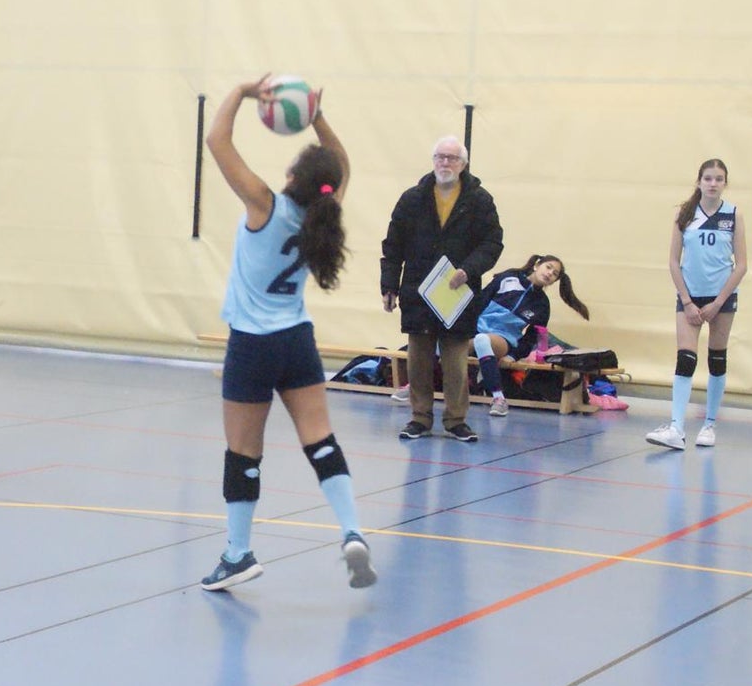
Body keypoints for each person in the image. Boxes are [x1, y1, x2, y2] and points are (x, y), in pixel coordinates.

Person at [200, 76, 376, 592]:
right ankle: (352, 529)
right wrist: (314, 113)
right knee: (320, 440)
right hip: (297, 340)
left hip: (252, 344)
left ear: (293, 175)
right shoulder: (324, 213)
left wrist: (241, 92)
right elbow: (341, 162)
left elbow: (217, 141)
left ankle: (238, 554)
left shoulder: (265, 205)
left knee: (243, 453)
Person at [380, 136, 504, 442]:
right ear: (433, 160)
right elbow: (393, 246)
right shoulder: (412, 198)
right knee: (419, 359)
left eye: (452, 158)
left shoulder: (480, 200)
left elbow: (492, 243)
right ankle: (419, 418)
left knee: (455, 361)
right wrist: (389, 285)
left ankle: (456, 420)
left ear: (463, 164)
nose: (445, 163)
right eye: (440, 157)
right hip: (418, 291)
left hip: (457, 293)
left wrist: (469, 269)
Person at [646, 158, 747, 450]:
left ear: (725, 183)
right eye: (708, 178)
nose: (713, 183)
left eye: (718, 179)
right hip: (690, 296)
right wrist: (687, 302)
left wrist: (718, 303)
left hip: (722, 297)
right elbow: (673, 262)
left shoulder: (734, 215)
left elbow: (741, 265)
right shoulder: (685, 213)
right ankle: (676, 428)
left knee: (717, 358)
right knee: (686, 359)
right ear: (699, 181)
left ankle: (709, 424)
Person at [471, 253, 590, 416]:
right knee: (446, 344)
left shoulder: (542, 305)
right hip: (473, 331)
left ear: (554, 281)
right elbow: (478, 303)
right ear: (536, 265)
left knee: (482, 340)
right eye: (548, 267)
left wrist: (513, 355)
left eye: (555, 274)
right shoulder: (508, 278)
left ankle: (499, 399)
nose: (550, 273)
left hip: (502, 339)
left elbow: (531, 337)